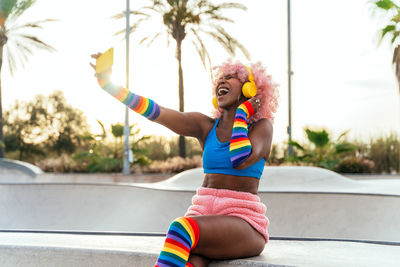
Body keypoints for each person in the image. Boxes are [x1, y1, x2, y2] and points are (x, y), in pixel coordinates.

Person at [90, 54, 279, 267]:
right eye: (221, 78)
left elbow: (239, 159)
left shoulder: (262, 128)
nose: (222, 81)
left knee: (181, 227)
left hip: (243, 223)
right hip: (202, 216)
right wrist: (108, 85)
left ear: (250, 89)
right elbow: (157, 112)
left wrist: (242, 113)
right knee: (191, 263)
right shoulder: (205, 126)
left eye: (231, 77)